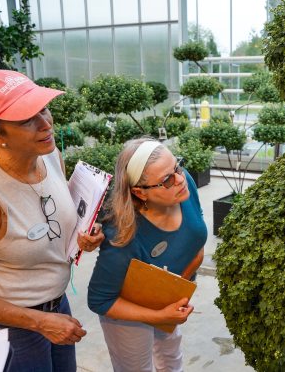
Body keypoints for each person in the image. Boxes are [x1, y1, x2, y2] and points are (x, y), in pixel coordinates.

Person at [0, 69, 104, 371]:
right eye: (27, 119)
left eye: (43, 109)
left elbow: (54, 223)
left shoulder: (49, 155)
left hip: (57, 308)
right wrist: (39, 322)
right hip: (11, 329)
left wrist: (81, 235)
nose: (46, 124)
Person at [88, 138, 207, 372]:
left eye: (178, 166)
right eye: (167, 180)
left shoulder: (185, 186)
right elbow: (100, 300)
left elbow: (195, 232)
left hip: (168, 299)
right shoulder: (124, 235)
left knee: (172, 361)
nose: (180, 179)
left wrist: (177, 287)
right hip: (128, 311)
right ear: (139, 192)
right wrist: (158, 315)